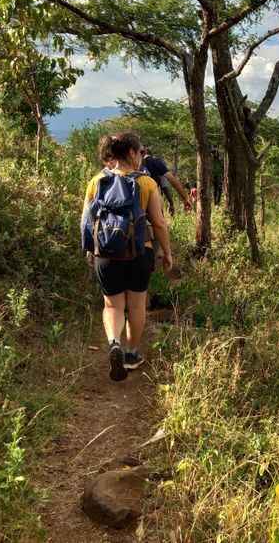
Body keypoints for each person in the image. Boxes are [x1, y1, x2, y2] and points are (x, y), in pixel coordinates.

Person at [82, 133, 173, 382]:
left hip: (106, 253)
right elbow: (159, 223)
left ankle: (114, 343)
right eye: (141, 151)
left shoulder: (97, 180)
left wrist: (91, 249)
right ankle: (131, 353)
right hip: (139, 252)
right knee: (136, 304)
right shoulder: (146, 183)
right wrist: (166, 251)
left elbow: (86, 221)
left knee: (112, 305)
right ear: (132, 153)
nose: (142, 156)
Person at [140, 145, 193, 216]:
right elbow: (166, 185)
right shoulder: (156, 162)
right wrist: (174, 202)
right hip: (152, 200)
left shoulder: (131, 162)